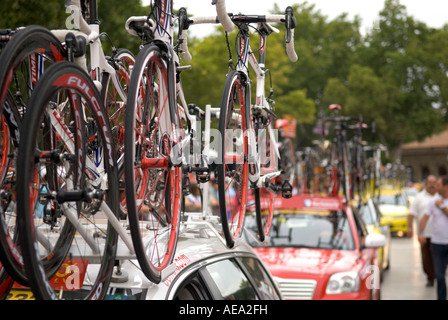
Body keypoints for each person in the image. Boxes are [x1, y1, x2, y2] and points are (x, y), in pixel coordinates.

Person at [418, 175, 448, 300]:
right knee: (439, 275)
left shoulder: (439, 203)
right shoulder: (432, 201)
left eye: (438, 185)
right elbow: (424, 218)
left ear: (446, 187)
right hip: (437, 244)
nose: (436, 187)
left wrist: (442, 207)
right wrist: (420, 234)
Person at [407, 175, 437, 287]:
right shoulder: (419, 197)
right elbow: (411, 213)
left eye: (434, 182)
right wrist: (409, 228)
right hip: (425, 234)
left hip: (440, 235)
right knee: (427, 257)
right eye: (430, 182)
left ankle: (438, 274)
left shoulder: (442, 196)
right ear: (426, 184)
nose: (432, 184)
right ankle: (430, 276)